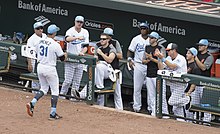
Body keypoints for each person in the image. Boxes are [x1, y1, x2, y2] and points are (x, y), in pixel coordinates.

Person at [26, 24, 66, 120]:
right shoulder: (55, 44)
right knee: (55, 91)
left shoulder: (40, 41)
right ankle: (52, 113)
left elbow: (33, 51)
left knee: (44, 88)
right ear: (54, 33)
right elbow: (62, 58)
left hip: (40, 66)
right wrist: (65, 54)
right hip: (50, 68)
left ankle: (32, 103)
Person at [156, 43, 189, 121]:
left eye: (169, 50)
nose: (168, 52)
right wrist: (159, 59)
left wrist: (163, 58)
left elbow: (172, 66)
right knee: (176, 109)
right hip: (172, 84)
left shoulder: (181, 58)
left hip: (180, 84)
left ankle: (187, 100)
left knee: (171, 102)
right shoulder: (168, 58)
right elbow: (161, 68)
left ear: (174, 50)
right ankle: (181, 121)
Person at [59, 15, 89, 100]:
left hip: (79, 59)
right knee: (68, 81)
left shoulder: (85, 32)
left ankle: (73, 98)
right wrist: (76, 37)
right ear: (75, 22)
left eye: (81, 22)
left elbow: (86, 46)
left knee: (77, 82)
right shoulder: (70, 30)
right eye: (78, 22)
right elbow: (67, 39)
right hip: (70, 58)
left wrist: (82, 52)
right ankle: (62, 96)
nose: (79, 23)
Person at [127, 22, 150, 112]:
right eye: (141, 28)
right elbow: (130, 50)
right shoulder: (136, 39)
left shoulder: (151, 39)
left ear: (147, 29)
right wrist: (129, 59)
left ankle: (150, 108)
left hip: (149, 66)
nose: (142, 30)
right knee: (137, 88)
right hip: (138, 64)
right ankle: (137, 107)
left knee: (151, 89)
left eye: (144, 28)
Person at [142, 31, 166, 116]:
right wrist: (148, 59)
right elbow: (143, 61)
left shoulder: (160, 48)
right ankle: (153, 112)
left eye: (151, 38)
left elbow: (163, 63)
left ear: (156, 39)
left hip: (158, 75)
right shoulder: (147, 47)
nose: (149, 39)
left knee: (161, 96)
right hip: (149, 74)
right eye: (149, 37)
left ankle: (164, 113)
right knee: (151, 95)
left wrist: (151, 59)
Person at [102, 27, 123, 110]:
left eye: (110, 36)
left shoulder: (115, 43)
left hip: (114, 70)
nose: (109, 37)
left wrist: (112, 53)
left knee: (117, 92)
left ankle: (119, 109)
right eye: (107, 35)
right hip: (104, 69)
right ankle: (100, 107)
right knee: (101, 89)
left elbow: (121, 56)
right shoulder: (100, 43)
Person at [195, 39, 214, 124]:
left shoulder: (209, 56)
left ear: (206, 46)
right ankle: (195, 120)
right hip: (196, 83)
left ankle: (207, 122)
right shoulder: (198, 55)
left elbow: (203, 68)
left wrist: (195, 58)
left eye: (201, 45)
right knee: (195, 104)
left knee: (206, 105)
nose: (199, 46)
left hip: (204, 84)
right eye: (199, 45)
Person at [95, 32, 117, 106]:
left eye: (104, 39)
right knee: (94, 69)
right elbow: (95, 59)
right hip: (100, 71)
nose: (102, 41)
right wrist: (96, 60)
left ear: (108, 40)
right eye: (101, 39)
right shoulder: (99, 48)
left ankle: (100, 88)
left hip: (110, 71)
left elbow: (110, 60)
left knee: (99, 67)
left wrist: (101, 53)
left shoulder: (112, 48)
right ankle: (82, 94)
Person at [26, 22, 47, 91]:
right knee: (35, 78)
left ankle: (42, 92)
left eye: (41, 28)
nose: (40, 30)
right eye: (38, 28)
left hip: (44, 60)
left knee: (43, 77)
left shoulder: (45, 36)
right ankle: (34, 92)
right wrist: (29, 64)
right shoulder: (31, 39)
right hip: (34, 60)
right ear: (35, 30)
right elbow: (28, 52)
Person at [185, 47, 202, 120]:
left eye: (189, 53)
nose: (186, 54)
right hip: (184, 89)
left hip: (192, 92)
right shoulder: (186, 64)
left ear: (193, 56)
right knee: (186, 110)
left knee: (190, 110)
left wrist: (189, 92)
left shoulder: (195, 67)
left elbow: (194, 82)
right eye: (187, 53)